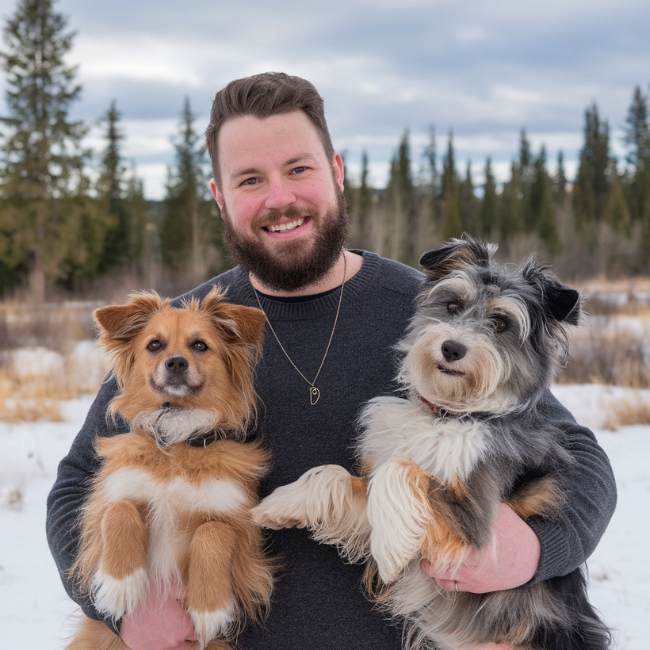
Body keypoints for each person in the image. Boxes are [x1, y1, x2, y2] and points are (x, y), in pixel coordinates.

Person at [47, 72, 616, 650]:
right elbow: (75, 485)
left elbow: (581, 459)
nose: (279, 198)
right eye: (250, 179)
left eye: (299, 169)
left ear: (336, 172)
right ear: (220, 197)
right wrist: (121, 611)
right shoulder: (195, 330)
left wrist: (537, 551)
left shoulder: (435, 315)